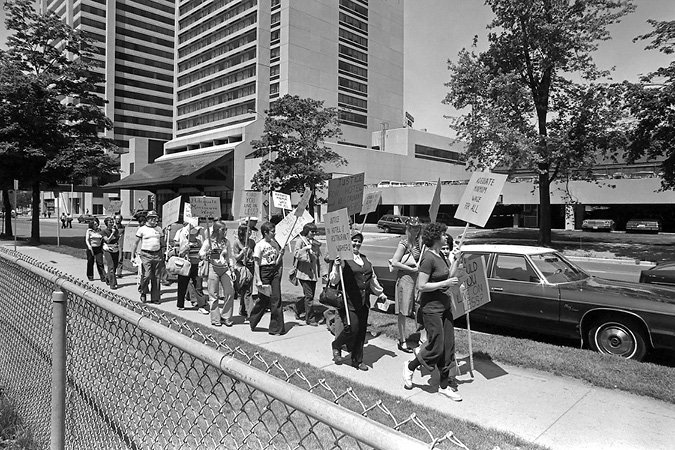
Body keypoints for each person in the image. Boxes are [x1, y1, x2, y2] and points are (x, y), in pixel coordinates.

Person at [402, 222, 462, 401]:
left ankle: (444, 386)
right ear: (436, 237)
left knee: (448, 347)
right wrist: (444, 284)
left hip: (445, 307)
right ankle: (411, 366)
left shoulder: (440, 256)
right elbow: (421, 285)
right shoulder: (428, 258)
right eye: (444, 234)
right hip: (431, 309)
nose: (446, 237)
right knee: (437, 345)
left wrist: (457, 259)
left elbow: (449, 276)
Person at [329, 231, 388, 371]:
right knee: (352, 328)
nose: (356, 244)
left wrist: (380, 293)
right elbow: (333, 280)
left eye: (359, 241)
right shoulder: (342, 259)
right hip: (349, 301)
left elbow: (372, 278)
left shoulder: (365, 259)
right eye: (353, 241)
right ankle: (336, 345)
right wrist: (337, 267)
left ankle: (357, 360)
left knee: (361, 332)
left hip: (363, 302)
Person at [390, 217, 423, 353]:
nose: (416, 230)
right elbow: (395, 262)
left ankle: (421, 338)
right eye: (413, 228)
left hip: (417, 280)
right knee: (403, 312)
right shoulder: (403, 243)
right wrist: (411, 269)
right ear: (408, 228)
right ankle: (402, 340)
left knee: (419, 309)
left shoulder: (420, 243)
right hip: (405, 279)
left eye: (418, 227)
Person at [249, 221, 285, 335]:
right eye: (272, 232)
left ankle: (276, 328)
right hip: (264, 272)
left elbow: (276, 261)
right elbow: (256, 263)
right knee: (263, 299)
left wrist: (281, 255)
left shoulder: (274, 244)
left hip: (274, 271)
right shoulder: (259, 245)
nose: (274, 234)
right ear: (265, 233)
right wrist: (258, 279)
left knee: (276, 299)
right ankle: (253, 319)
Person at [199, 220, 235, 326]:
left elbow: (229, 256)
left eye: (226, 229)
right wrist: (207, 253)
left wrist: (232, 269)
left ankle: (226, 316)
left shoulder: (226, 242)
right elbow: (201, 253)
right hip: (213, 268)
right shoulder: (209, 242)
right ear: (216, 230)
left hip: (225, 268)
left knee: (230, 292)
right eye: (223, 229)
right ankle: (215, 318)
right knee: (213, 295)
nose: (225, 231)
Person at [174, 220, 209, 314]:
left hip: (196, 266)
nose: (197, 233)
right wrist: (185, 250)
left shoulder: (198, 242)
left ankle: (201, 305)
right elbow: (179, 254)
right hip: (186, 266)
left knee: (198, 286)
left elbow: (202, 252)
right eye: (195, 232)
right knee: (182, 285)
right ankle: (180, 304)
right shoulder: (185, 243)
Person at [293, 223, 323, 326]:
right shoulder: (300, 241)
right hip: (304, 273)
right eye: (312, 232)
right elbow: (296, 254)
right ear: (307, 231)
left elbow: (319, 258)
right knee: (309, 297)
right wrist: (305, 249)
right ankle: (310, 318)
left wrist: (323, 272)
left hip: (313, 274)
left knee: (309, 296)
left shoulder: (315, 243)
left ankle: (298, 307)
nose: (314, 234)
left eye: (315, 232)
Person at [132, 210, 164, 304]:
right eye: (152, 218)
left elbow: (162, 243)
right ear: (148, 219)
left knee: (156, 277)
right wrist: (132, 255)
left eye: (156, 218)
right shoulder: (142, 229)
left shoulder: (159, 229)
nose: (154, 220)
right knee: (147, 275)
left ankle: (155, 297)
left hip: (157, 254)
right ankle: (143, 291)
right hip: (146, 254)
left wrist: (164, 252)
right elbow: (135, 243)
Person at [232, 224, 255, 318]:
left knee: (247, 290)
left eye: (250, 231)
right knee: (245, 290)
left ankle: (243, 310)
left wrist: (251, 257)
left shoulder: (252, 242)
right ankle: (251, 313)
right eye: (248, 231)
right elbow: (236, 257)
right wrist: (242, 252)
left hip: (250, 267)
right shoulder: (237, 243)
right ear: (242, 232)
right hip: (241, 268)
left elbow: (254, 254)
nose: (250, 232)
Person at [85, 218, 107, 283]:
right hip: (91, 248)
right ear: (92, 225)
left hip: (98, 248)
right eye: (95, 224)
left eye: (97, 223)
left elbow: (102, 238)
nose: (96, 225)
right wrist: (89, 246)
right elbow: (87, 239)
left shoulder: (100, 230)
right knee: (90, 262)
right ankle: (90, 275)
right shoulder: (89, 231)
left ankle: (103, 277)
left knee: (100, 262)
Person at [102, 217, 121, 289]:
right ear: (106, 223)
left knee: (115, 265)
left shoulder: (115, 230)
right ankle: (112, 284)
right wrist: (112, 233)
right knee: (111, 266)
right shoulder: (104, 231)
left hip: (115, 249)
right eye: (110, 222)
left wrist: (116, 233)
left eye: (112, 222)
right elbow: (107, 240)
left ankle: (107, 277)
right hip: (108, 249)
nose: (112, 223)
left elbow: (117, 238)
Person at [114, 214, 126, 278]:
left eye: (119, 219)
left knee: (120, 258)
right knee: (113, 259)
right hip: (113, 245)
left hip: (120, 244)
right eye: (116, 219)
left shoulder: (123, 228)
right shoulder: (112, 227)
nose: (118, 220)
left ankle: (119, 272)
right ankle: (112, 272)